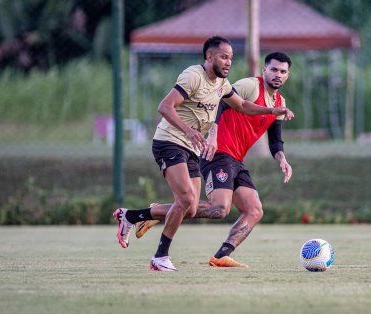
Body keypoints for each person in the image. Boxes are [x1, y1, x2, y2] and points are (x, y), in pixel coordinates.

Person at [112, 36, 292, 272]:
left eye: (283, 71)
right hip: (197, 147)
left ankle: (142, 217)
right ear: (264, 69)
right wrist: (208, 134)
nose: (228, 62)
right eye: (223, 57)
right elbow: (172, 106)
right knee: (195, 203)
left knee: (232, 209)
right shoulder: (223, 80)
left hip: (214, 153)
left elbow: (257, 121)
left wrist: (280, 148)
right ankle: (160, 256)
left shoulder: (233, 87)